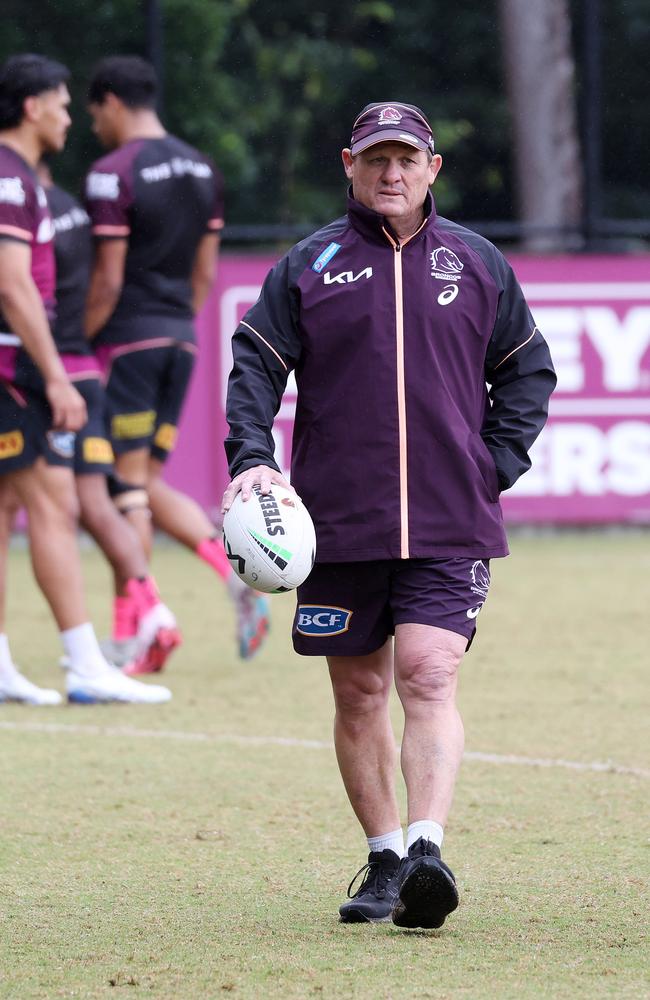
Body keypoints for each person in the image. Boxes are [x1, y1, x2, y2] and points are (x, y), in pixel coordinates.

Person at [222, 102, 556, 929]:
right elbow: (254, 373)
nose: (392, 173)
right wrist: (252, 461)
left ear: (433, 169)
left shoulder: (478, 264)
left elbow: (527, 373)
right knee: (361, 691)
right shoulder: (309, 264)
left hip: (451, 521)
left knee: (428, 675)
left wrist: (493, 465)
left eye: (407, 159)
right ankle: (383, 856)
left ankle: (427, 850)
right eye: (376, 159)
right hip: (335, 522)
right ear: (350, 164)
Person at [83, 55, 269, 661]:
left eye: (93, 114)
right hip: (178, 339)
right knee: (144, 481)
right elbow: (206, 273)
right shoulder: (203, 168)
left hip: (126, 341)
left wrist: (76, 346)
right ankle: (230, 573)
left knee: (122, 490)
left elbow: (108, 281)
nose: (92, 127)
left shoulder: (112, 172)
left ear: (111, 102)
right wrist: (174, 325)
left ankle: (139, 625)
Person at [0, 53, 170, 705]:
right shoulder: (12, 180)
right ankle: (85, 665)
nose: (72, 115)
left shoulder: (18, 178)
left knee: (8, 509)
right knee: (54, 505)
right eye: (64, 103)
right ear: (32, 105)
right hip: (13, 370)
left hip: (11, 367)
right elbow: (14, 289)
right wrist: (57, 377)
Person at [38, 161, 181, 675]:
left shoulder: (24, 211)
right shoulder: (74, 211)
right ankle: (152, 611)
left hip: (42, 373)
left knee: (43, 509)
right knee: (102, 503)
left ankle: (85, 651)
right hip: (84, 370)